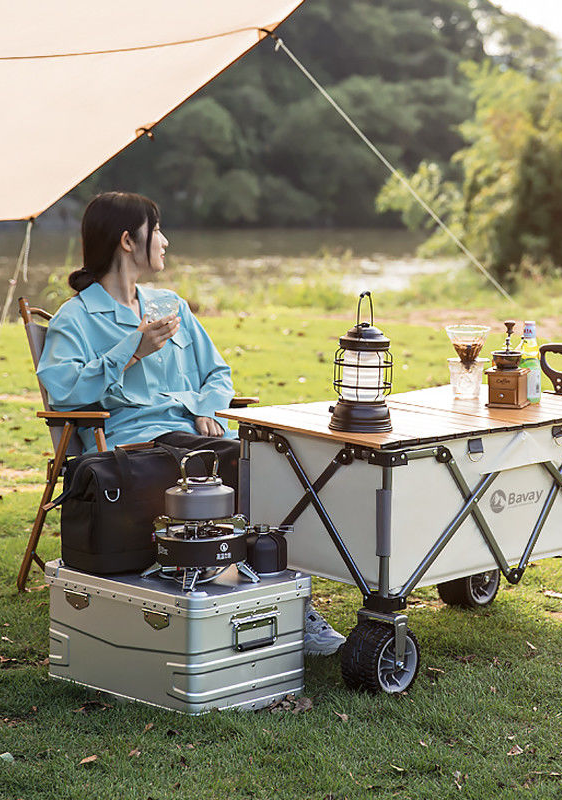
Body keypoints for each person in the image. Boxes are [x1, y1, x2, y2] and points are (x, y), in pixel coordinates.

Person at [37, 191, 344, 655]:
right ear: (127, 240)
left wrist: (207, 406)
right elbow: (62, 393)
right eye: (155, 229)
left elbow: (217, 372)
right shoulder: (76, 318)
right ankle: (282, 606)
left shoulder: (169, 304)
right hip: (134, 443)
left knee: (274, 457)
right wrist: (132, 350)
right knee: (232, 466)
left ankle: (283, 598)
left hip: (193, 431)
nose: (164, 240)